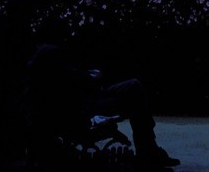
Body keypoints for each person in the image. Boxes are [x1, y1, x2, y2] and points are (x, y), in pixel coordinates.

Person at [24, 17, 180, 168]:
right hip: (83, 106)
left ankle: (148, 149)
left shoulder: (42, 57)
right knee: (134, 89)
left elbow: (69, 82)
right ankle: (148, 150)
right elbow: (76, 84)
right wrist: (92, 78)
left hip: (77, 104)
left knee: (133, 87)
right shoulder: (51, 54)